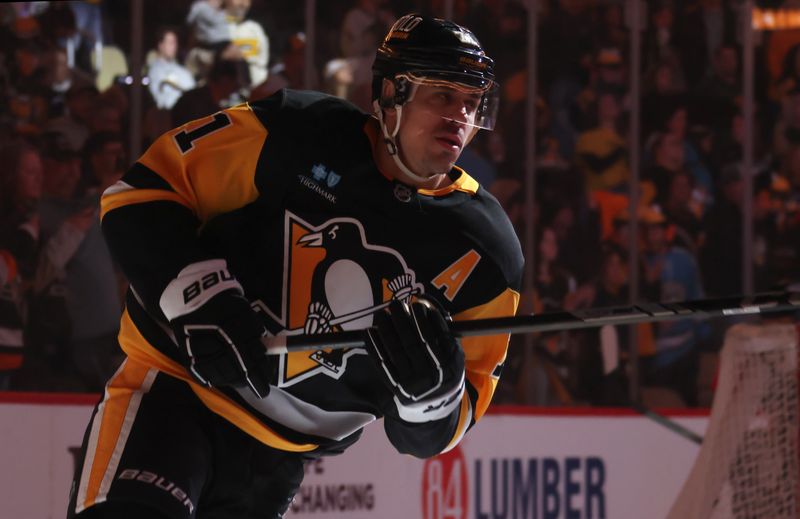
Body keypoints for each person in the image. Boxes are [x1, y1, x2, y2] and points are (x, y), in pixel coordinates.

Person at [67, 14, 522, 519]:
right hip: (174, 396)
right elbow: (142, 194)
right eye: (442, 95)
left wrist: (432, 393)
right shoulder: (298, 131)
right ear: (392, 93)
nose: (460, 117)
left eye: (472, 102)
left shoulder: (488, 252)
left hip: (277, 465)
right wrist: (201, 297)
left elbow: (439, 429)